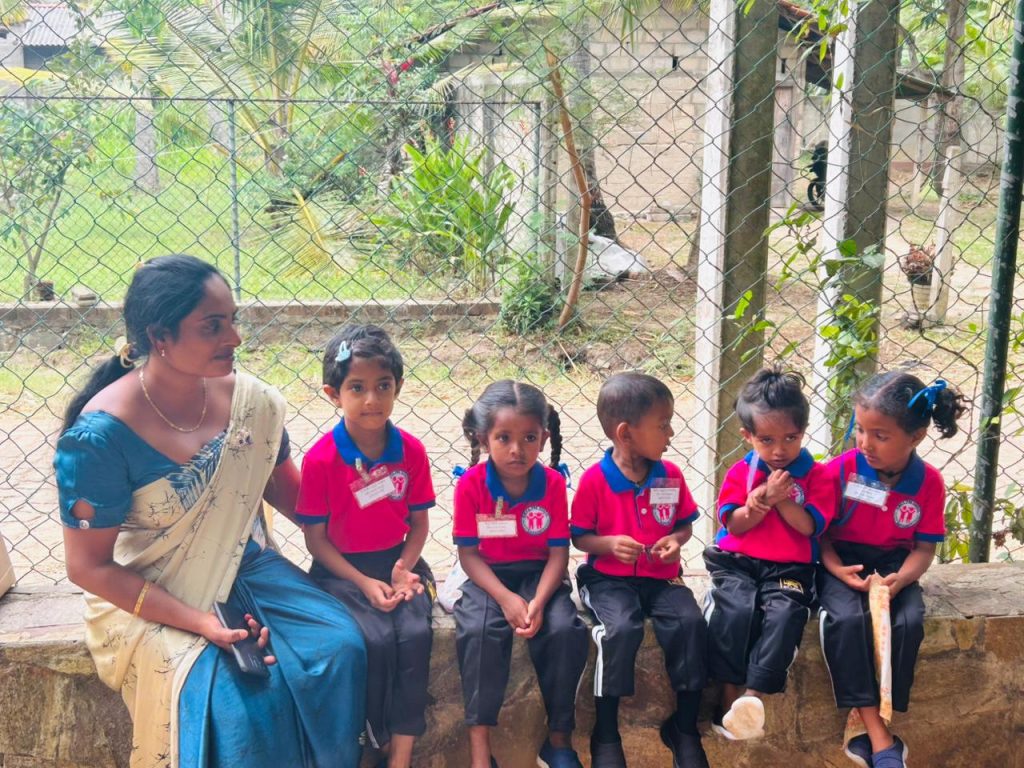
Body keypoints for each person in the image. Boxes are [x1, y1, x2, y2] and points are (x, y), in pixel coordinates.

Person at [53, 254, 366, 768]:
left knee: (338, 647)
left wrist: (374, 544)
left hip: (248, 566)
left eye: (233, 320)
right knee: (238, 704)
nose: (235, 338)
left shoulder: (251, 404)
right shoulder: (99, 437)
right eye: (213, 326)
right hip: (152, 588)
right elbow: (88, 567)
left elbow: (293, 497)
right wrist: (201, 622)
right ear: (160, 337)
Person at [296, 325, 435, 768]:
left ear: (398, 388)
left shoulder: (410, 450)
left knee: (415, 634)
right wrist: (363, 581)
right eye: (357, 388)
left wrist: (401, 569)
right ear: (333, 394)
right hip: (341, 573)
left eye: (383, 386)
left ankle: (402, 754)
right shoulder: (320, 459)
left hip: (400, 564)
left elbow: (418, 524)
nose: (372, 399)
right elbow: (315, 539)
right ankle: (369, 745)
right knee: (369, 641)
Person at [819, 372, 967, 768]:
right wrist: (835, 569)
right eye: (860, 430)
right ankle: (881, 739)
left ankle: (871, 722)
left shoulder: (929, 483)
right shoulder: (839, 470)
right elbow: (819, 536)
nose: (865, 443)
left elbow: (923, 548)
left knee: (909, 622)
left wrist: (902, 579)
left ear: (916, 436)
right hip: (841, 562)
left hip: (894, 566)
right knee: (846, 621)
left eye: (880, 435)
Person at [570, 372, 708, 768]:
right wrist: (609, 544)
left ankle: (684, 726)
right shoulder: (596, 481)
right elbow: (580, 538)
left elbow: (683, 523)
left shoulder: (671, 475)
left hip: (661, 577)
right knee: (622, 629)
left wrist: (676, 541)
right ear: (626, 433)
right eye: (662, 425)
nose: (670, 433)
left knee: (689, 623)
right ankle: (606, 731)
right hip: (607, 579)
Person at [452, 380, 588, 768]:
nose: (517, 449)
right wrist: (506, 598)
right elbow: (469, 555)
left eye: (529, 437)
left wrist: (540, 602)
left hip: (540, 574)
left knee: (565, 630)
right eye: (504, 437)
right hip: (488, 576)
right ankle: (481, 750)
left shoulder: (551, 484)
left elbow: (558, 554)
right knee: (479, 631)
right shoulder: (471, 485)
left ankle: (559, 741)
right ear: (483, 438)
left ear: (544, 438)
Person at [704, 367, 834, 740]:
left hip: (790, 567)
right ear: (748, 437)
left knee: (786, 613)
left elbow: (810, 527)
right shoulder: (741, 472)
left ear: (803, 432)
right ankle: (728, 694)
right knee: (734, 609)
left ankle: (752, 697)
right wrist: (757, 504)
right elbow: (735, 525)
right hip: (739, 562)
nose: (779, 450)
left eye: (790, 438)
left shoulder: (818, 477)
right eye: (767, 440)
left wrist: (779, 501)